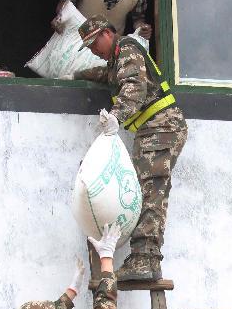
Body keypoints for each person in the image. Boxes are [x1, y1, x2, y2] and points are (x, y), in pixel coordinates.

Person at [73, 14, 187, 283]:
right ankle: (142, 257)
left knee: (149, 192)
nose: (93, 51)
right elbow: (108, 75)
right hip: (155, 130)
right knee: (144, 190)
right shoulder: (116, 60)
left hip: (162, 128)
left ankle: (145, 260)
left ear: (107, 34)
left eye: (93, 44)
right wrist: (77, 74)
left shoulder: (126, 48)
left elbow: (133, 86)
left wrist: (116, 117)